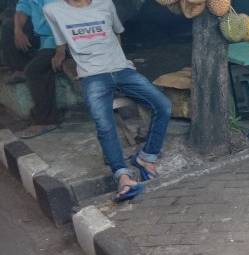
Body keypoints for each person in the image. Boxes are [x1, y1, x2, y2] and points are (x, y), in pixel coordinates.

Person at [44, 0, 172, 202]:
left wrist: (122, 61)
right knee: (104, 124)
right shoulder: (52, 10)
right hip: (92, 75)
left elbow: (117, 32)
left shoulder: (105, 3)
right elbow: (61, 40)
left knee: (163, 105)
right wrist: (60, 55)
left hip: (122, 70)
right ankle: (122, 176)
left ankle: (146, 158)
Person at [2, 0, 60, 138]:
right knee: (8, 26)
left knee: (36, 70)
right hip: (40, 33)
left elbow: (63, 27)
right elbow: (23, 8)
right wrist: (18, 30)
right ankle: (20, 68)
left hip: (59, 39)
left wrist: (56, 51)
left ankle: (46, 120)